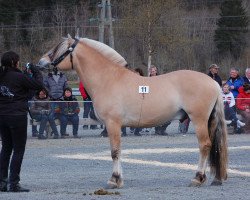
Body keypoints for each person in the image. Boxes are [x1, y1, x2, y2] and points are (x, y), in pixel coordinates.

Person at [0, 51, 43, 192]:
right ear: (14, 62)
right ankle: (14, 183)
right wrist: (35, 71)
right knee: (18, 149)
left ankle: (2, 182)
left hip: (2, 115)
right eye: (18, 61)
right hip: (17, 116)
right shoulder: (19, 77)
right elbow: (38, 85)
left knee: (6, 149)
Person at [43, 67, 68, 136]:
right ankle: (52, 131)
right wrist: (50, 94)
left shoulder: (63, 76)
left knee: (63, 116)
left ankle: (63, 132)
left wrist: (63, 95)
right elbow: (45, 87)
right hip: (51, 99)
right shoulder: (48, 77)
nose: (55, 69)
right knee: (51, 116)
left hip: (61, 100)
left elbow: (66, 87)